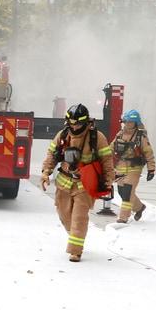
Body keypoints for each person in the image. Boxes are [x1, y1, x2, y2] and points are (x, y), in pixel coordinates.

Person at [40, 104, 114, 262]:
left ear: (86, 122)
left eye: (78, 123)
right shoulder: (62, 135)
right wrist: (45, 173)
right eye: (72, 123)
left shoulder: (97, 137)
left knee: (79, 218)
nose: (75, 126)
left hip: (85, 183)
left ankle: (75, 251)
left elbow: (107, 160)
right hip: (64, 182)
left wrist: (108, 181)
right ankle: (75, 235)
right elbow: (51, 155)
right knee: (64, 215)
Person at [111, 109, 156, 225]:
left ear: (136, 122)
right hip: (120, 167)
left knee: (127, 192)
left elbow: (148, 152)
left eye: (131, 122)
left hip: (134, 168)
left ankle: (123, 218)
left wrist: (151, 169)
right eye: (126, 121)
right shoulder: (120, 134)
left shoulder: (141, 136)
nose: (128, 124)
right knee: (122, 192)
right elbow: (111, 148)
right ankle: (139, 207)